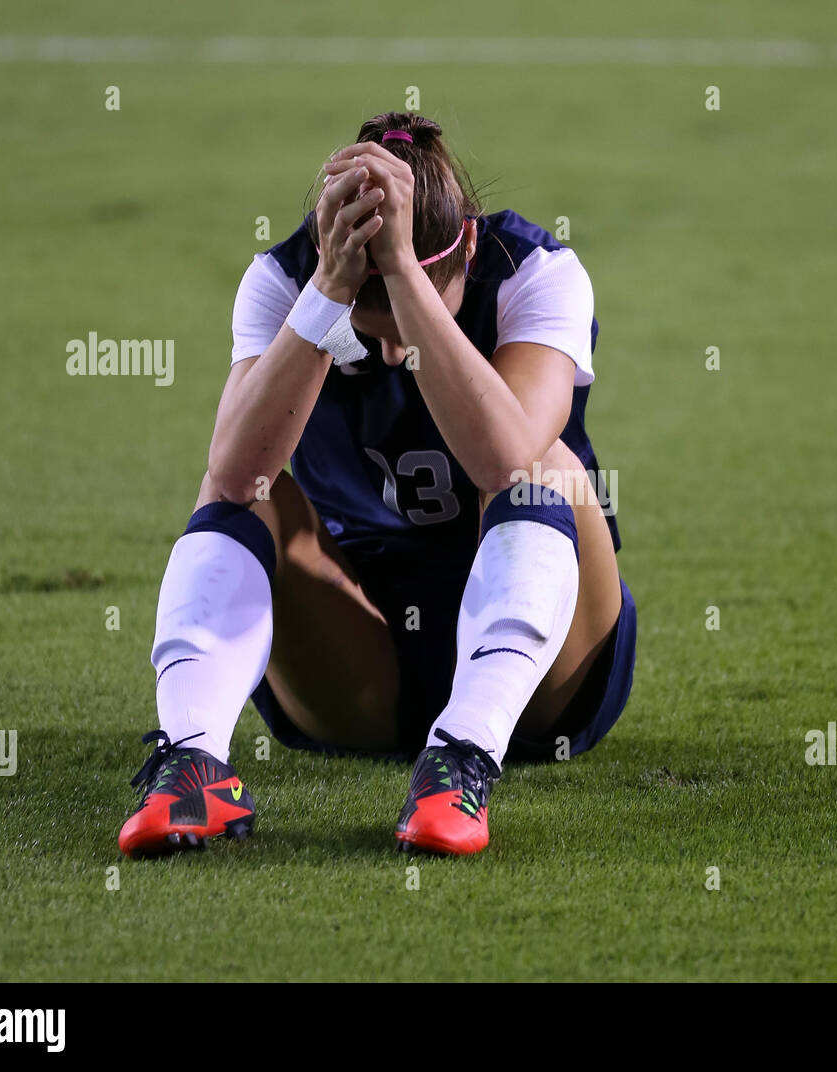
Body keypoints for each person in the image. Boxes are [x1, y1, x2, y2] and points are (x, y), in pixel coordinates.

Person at [117, 111, 636, 857]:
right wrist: (332, 285)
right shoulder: (288, 279)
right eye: (371, 325)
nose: (392, 354)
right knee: (246, 490)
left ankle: (463, 756)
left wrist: (401, 277)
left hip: (546, 672)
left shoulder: (536, 271)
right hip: (363, 648)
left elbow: (504, 461)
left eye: (406, 324)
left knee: (542, 464)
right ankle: (191, 760)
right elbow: (233, 474)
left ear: (466, 252)